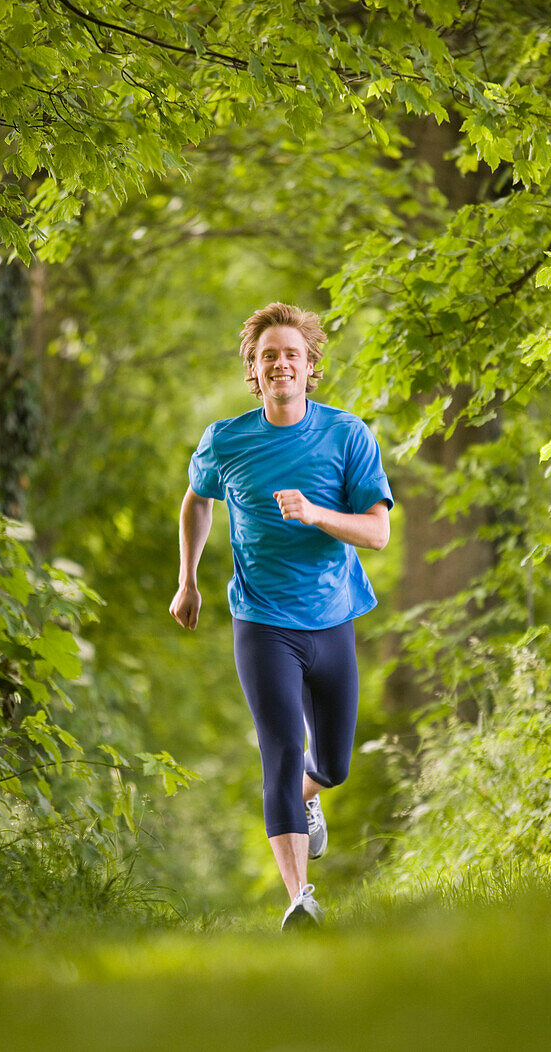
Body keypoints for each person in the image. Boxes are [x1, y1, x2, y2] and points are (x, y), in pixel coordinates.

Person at [169, 302, 394, 930]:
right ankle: (300, 898)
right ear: (254, 368)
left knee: (331, 765)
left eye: (291, 354)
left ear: (310, 366)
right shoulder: (227, 440)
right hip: (261, 619)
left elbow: (377, 534)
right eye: (269, 355)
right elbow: (196, 502)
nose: (280, 364)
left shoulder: (348, 435)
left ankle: (309, 798)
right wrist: (187, 580)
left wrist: (317, 513)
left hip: (332, 617)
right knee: (279, 751)